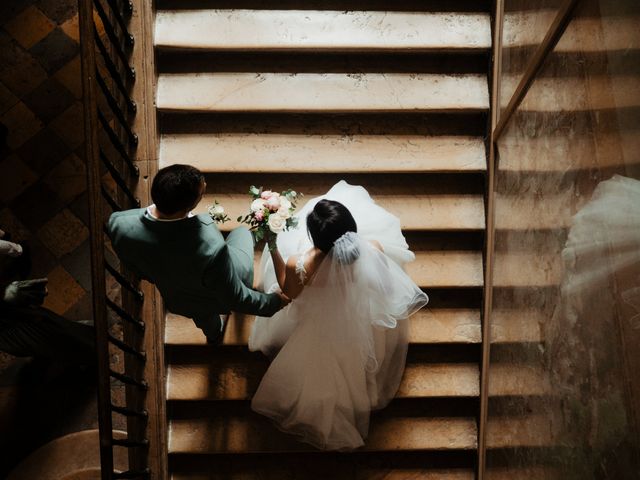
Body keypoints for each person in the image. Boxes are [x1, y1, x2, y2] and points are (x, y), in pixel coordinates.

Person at [249, 181, 428, 450]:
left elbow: (288, 293)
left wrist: (272, 245)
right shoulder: (375, 248)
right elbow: (385, 289)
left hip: (316, 322)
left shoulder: (301, 264)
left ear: (316, 237)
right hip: (353, 321)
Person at [106, 164, 289, 343]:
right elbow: (237, 297)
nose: (205, 189)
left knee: (202, 316)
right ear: (186, 208)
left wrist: (154, 275)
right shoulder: (211, 248)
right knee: (241, 233)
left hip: (181, 298)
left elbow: (132, 263)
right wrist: (274, 302)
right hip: (218, 286)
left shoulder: (119, 224)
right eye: (201, 193)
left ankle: (214, 333)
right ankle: (215, 329)